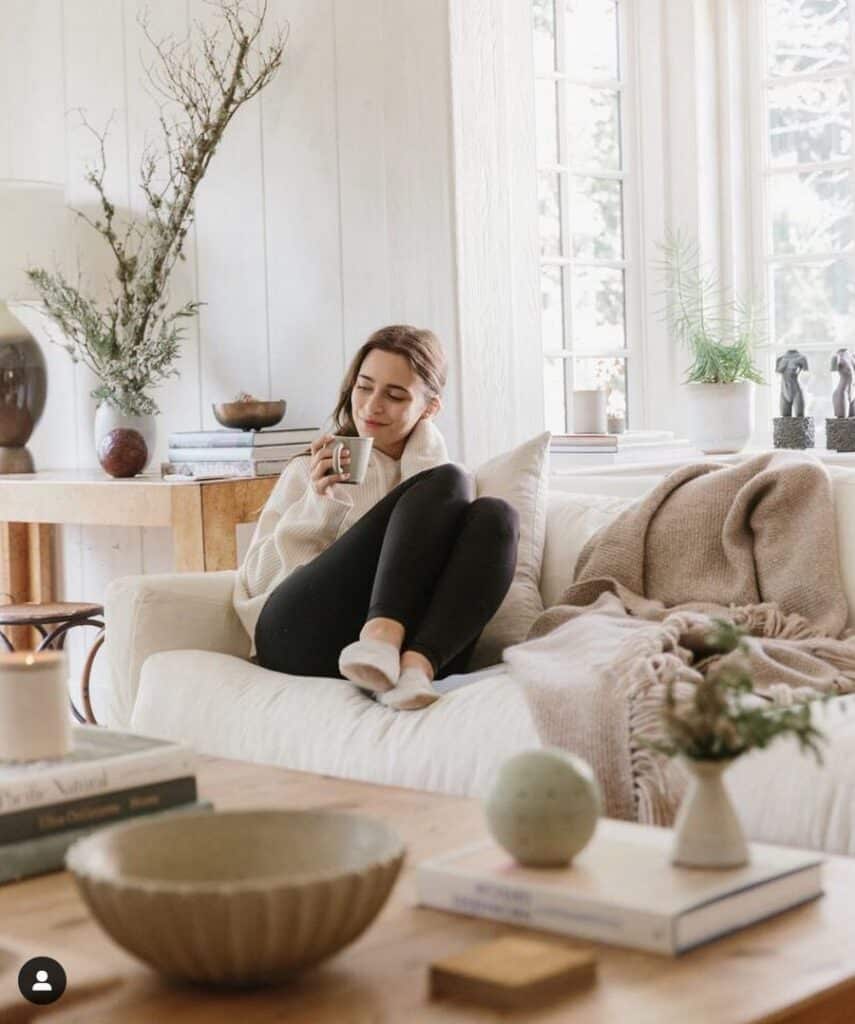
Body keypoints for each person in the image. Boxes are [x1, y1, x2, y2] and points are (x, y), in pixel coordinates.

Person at [233, 325, 520, 710]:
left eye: (395, 395)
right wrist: (321, 504)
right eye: (364, 387)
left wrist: (424, 470)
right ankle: (380, 637)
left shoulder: (443, 484)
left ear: (430, 408)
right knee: (451, 480)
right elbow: (258, 581)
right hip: (295, 634)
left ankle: (417, 667)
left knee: (496, 515)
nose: (371, 406)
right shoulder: (310, 469)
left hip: (399, 655)